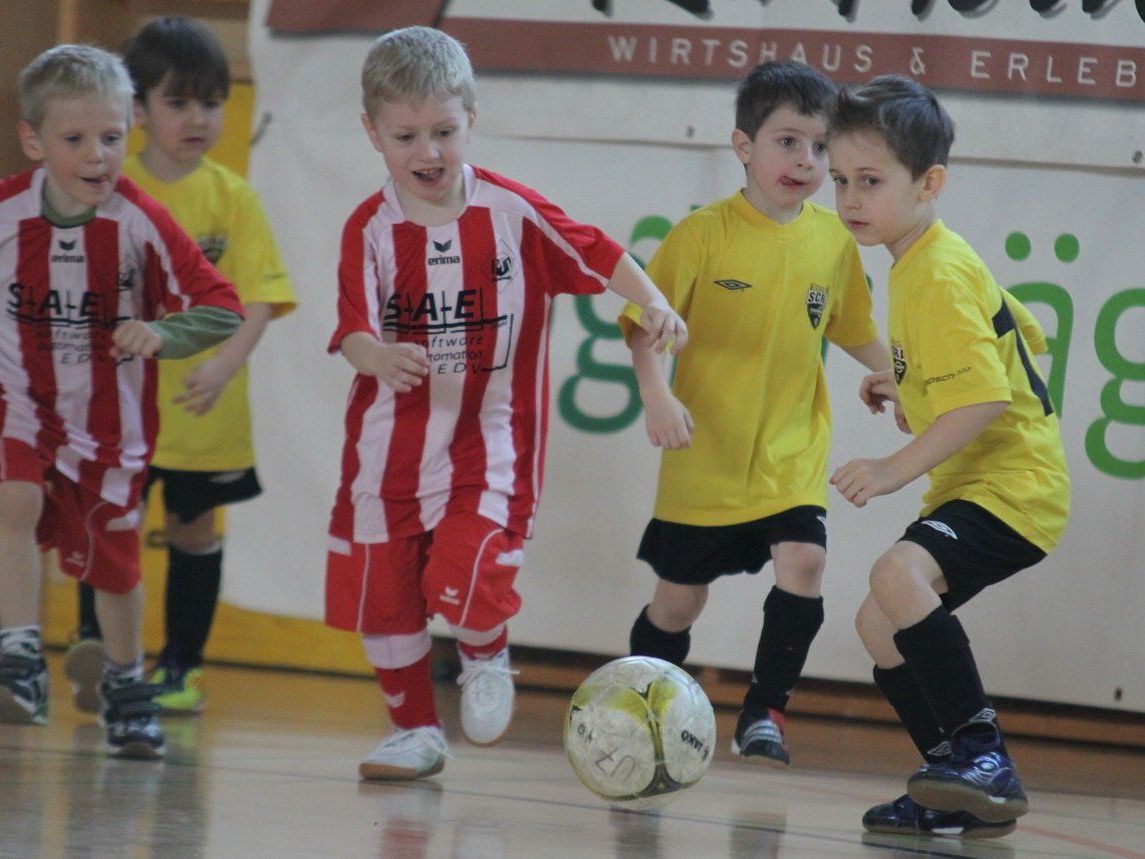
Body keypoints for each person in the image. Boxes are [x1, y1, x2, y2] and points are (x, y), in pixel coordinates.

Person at [326, 26, 688, 782]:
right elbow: (353, 330)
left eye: (443, 131)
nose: (427, 151)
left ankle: (486, 654)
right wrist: (379, 356)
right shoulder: (368, 229)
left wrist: (653, 301)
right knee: (386, 596)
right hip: (387, 444)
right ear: (372, 134)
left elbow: (598, 252)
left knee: (465, 565)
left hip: (491, 437)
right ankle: (413, 730)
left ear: (472, 119)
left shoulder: (513, 213)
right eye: (405, 135)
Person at [621, 60, 888, 768]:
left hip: (789, 450)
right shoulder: (700, 234)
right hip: (704, 454)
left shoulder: (833, 240)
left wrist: (899, 374)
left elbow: (852, 325)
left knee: (804, 558)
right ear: (743, 146)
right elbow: (638, 322)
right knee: (676, 605)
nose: (805, 161)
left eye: (819, 147)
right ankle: (643, 702)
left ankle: (763, 711)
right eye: (787, 142)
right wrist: (656, 391)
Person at [826, 75, 1069, 838]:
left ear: (929, 182)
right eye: (838, 180)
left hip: (1012, 487)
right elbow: (1018, 336)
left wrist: (894, 465)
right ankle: (958, 788)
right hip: (983, 483)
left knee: (893, 574)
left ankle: (982, 754)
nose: (848, 198)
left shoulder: (932, 270)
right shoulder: (923, 260)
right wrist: (902, 385)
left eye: (869, 180)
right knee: (878, 623)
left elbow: (988, 397)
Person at [0, 44, 243, 758]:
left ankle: (128, 683)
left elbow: (221, 306)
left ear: (129, 130)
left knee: (115, 564)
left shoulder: (140, 224)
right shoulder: (7, 213)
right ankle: (19, 654)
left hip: (110, 427)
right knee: (13, 497)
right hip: (19, 401)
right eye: (75, 139)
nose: (98, 155)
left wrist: (161, 331)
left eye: (111, 137)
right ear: (33, 140)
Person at [65, 17, 297, 717]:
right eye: (179, 102)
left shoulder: (235, 197)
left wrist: (224, 365)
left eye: (212, 101)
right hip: (116, 410)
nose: (199, 118)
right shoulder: (106, 190)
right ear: (135, 109)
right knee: (108, 524)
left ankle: (182, 669)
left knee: (195, 533)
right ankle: (97, 652)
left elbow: (260, 294)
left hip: (203, 411)